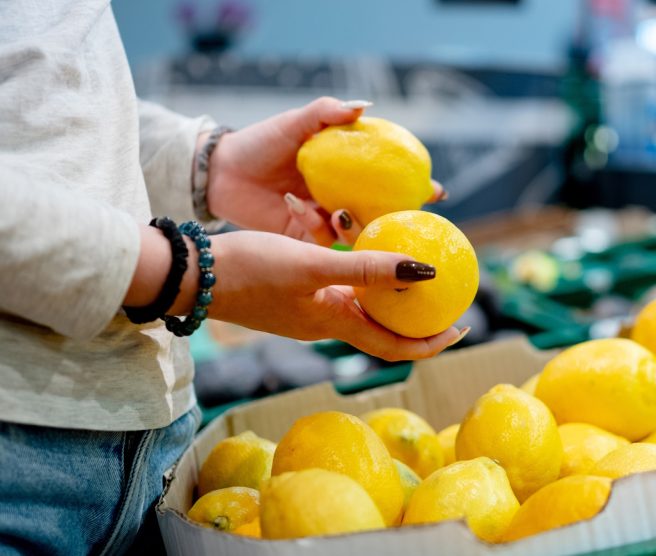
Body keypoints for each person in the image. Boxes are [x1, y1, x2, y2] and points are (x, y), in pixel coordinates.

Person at [0, 2, 467, 554]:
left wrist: (212, 168)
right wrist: (189, 274)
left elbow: (49, 85)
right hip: (20, 470)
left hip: (153, 454)